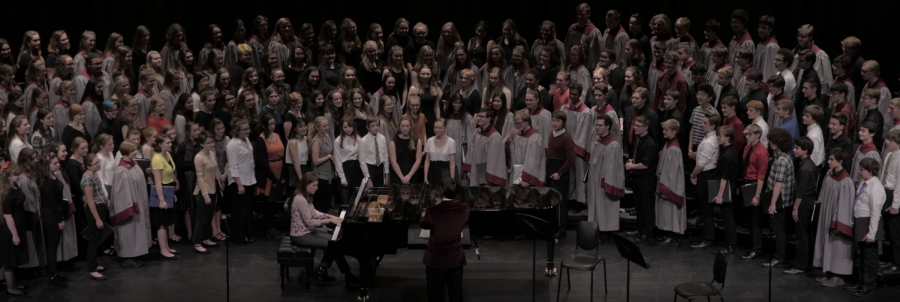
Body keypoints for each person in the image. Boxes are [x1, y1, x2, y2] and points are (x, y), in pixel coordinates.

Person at [290, 172, 358, 286]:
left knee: (334, 241)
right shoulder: (300, 199)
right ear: (306, 185)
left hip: (307, 231)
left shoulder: (306, 195)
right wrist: (329, 220)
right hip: (301, 235)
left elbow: (314, 213)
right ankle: (348, 275)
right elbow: (310, 222)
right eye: (314, 185)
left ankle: (322, 269)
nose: (317, 188)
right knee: (334, 244)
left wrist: (330, 216)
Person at [421, 178, 469, 302]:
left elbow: (423, 223)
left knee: (436, 296)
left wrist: (436, 205)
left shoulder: (432, 211)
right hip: (455, 258)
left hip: (436, 259)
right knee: (456, 295)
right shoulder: (464, 209)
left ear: (441, 191)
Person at [812, 149, 855, 287]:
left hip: (836, 218)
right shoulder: (830, 174)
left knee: (837, 245)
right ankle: (828, 271)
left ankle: (838, 276)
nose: (828, 162)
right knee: (826, 243)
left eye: (831, 159)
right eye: (828, 159)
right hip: (826, 214)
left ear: (840, 161)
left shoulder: (846, 181)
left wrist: (837, 223)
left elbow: (844, 205)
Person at [848, 158, 885, 297]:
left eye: (862, 169)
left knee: (870, 257)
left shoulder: (876, 188)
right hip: (861, 221)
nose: (859, 171)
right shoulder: (865, 183)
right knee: (862, 256)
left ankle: (869, 286)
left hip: (869, 223)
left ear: (869, 171)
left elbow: (875, 212)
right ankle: (861, 283)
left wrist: (871, 233)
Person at [782, 137, 818, 275]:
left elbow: (801, 191)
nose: (794, 150)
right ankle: (805, 264)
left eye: (797, 148)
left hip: (803, 204)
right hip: (808, 202)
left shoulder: (804, 168)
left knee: (801, 235)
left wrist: (795, 208)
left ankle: (800, 266)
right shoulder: (809, 164)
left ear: (806, 150)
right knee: (805, 234)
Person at [761, 128, 796, 269]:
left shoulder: (782, 160)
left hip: (781, 200)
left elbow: (779, 183)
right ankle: (781, 255)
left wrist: (773, 203)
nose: (770, 142)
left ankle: (780, 257)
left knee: (779, 230)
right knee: (780, 229)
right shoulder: (779, 157)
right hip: (781, 199)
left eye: (773, 140)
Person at [588, 114, 624, 240]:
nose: (597, 127)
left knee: (605, 205)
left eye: (600, 125)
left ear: (608, 126)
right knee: (597, 205)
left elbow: (612, 167)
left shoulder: (612, 145)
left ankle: (606, 231)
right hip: (595, 179)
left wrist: (606, 181)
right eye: (596, 125)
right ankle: (597, 228)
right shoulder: (598, 140)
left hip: (604, 180)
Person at [624, 115, 657, 243]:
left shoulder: (650, 143)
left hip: (646, 179)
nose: (635, 128)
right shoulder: (639, 139)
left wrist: (632, 165)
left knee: (646, 206)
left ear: (646, 128)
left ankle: (648, 232)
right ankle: (640, 228)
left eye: (638, 126)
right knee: (638, 205)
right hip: (637, 177)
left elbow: (646, 164)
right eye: (634, 125)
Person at [562, 83, 594, 212]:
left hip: (578, 149)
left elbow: (584, 132)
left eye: (575, 94)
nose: (573, 96)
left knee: (579, 175)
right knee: (570, 175)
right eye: (571, 94)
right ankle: (570, 199)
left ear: (580, 95)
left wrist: (574, 150)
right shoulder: (564, 108)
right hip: (567, 148)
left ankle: (580, 202)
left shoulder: (585, 112)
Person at [689, 113, 719, 249]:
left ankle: (708, 238)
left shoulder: (708, 142)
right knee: (707, 209)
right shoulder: (710, 139)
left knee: (706, 209)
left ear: (712, 126)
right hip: (709, 173)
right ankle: (707, 236)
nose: (701, 124)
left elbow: (700, 166)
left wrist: (693, 175)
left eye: (705, 123)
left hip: (706, 175)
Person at [81, 153, 112, 280]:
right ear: (88, 165)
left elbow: (99, 192)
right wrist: (97, 218)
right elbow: (90, 200)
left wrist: (106, 200)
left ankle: (94, 264)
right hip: (95, 211)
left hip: (101, 207)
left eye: (99, 162)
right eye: (96, 163)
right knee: (94, 240)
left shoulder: (95, 173)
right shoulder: (87, 178)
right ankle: (91, 268)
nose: (99, 164)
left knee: (98, 238)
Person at [254, 114, 284, 239]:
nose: (272, 126)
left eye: (273, 123)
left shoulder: (277, 135)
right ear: (264, 125)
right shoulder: (260, 139)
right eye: (269, 124)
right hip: (268, 174)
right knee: (268, 203)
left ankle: (273, 228)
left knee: (275, 202)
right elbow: (261, 161)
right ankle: (269, 229)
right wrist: (273, 178)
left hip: (279, 170)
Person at [655, 119, 685, 245]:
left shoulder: (673, 149)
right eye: (663, 129)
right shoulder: (668, 144)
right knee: (666, 211)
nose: (663, 132)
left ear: (674, 131)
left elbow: (672, 173)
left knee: (671, 209)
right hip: (664, 181)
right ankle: (667, 232)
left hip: (670, 184)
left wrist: (666, 188)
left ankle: (672, 234)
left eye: (666, 130)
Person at [226, 119, 257, 244]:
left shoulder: (247, 140)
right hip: (239, 182)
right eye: (244, 130)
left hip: (249, 179)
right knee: (239, 211)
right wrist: (239, 184)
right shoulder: (232, 145)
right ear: (237, 131)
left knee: (248, 209)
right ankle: (239, 236)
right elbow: (233, 166)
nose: (247, 131)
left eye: (248, 128)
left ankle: (248, 233)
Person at [546, 111, 575, 237]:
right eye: (553, 120)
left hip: (560, 174)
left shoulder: (566, 137)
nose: (555, 123)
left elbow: (571, 159)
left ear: (563, 123)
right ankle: (553, 227)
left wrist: (560, 173)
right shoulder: (551, 134)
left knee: (561, 203)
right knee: (551, 202)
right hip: (550, 171)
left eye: (558, 121)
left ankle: (561, 229)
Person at [192, 131, 221, 254]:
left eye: (212, 142)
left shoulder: (211, 153)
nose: (211, 144)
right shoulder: (199, 157)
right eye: (208, 143)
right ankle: (197, 242)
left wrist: (220, 181)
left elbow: (214, 171)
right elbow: (200, 178)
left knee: (209, 217)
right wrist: (205, 195)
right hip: (202, 191)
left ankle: (206, 238)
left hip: (212, 189)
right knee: (202, 219)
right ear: (202, 144)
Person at [1, 164, 28, 296]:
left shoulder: (15, 187)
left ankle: (14, 284)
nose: (19, 176)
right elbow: (7, 215)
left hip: (18, 225)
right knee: (9, 260)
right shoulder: (7, 192)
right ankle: (10, 288)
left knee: (15, 258)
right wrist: (15, 235)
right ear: (9, 176)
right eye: (16, 174)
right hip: (10, 229)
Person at [463, 107, 505, 186]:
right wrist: (469, 169)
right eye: (478, 116)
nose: (479, 118)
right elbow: (471, 151)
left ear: (489, 118)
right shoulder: (476, 132)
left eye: (482, 117)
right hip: (475, 169)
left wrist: (488, 177)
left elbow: (494, 160)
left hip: (485, 171)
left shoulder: (495, 137)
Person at [506, 110, 545, 188]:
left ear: (527, 122)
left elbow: (532, 161)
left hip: (527, 178)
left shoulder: (534, 138)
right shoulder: (517, 134)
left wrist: (527, 179)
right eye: (516, 123)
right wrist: (510, 139)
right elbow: (511, 152)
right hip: (516, 174)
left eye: (520, 123)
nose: (518, 126)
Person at [879, 131, 900, 275]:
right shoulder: (889, 155)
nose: (887, 143)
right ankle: (890, 260)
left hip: (894, 195)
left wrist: (895, 204)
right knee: (888, 230)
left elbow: (899, 183)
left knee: (895, 233)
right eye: (887, 140)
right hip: (886, 192)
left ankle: (897, 263)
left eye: (890, 140)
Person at [792, 25, 832, 95]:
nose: (800, 39)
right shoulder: (795, 51)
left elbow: (825, 80)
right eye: (799, 36)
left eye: (803, 37)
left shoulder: (820, 55)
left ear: (810, 37)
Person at [563, 3, 603, 67]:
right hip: (572, 65)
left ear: (588, 14)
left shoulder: (593, 32)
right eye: (578, 14)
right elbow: (566, 47)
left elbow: (595, 55)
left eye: (582, 14)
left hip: (585, 66)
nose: (579, 16)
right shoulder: (572, 28)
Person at [310, 116, 335, 213]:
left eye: (328, 125)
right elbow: (315, 161)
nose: (327, 128)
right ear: (317, 127)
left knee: (327, 202)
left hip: (329, 175)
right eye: (324, 126)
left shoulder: (327, 136)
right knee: (321, 203)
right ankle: (318, 225)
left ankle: (324, 222)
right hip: (320, 176)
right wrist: (328, 157)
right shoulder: (316, 141)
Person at [860, 61, 892, 135]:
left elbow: (883, 114)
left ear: (874, 72)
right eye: (861, 71)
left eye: (865, 71)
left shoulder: (882, 90)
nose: (862, 74)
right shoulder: (867, 85)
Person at [389, 116, 423, 185]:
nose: (405, 128)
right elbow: (393, 161)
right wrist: (402, 177)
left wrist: (409, 176)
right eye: (403, 126)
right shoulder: (393, 141)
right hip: (397, 175)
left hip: (412, 175)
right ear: (399, 127)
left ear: (411, 127)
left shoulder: (417, 141)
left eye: (407, 126)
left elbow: (418, 160)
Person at [688, 84, 718, 161]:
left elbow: (713, 135)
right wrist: (690, 147)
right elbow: (693, 128)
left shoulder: (713, 114)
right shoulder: (696, 110)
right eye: (698, 94)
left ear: (710, 98)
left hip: (705, 147)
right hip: (693, 146)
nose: (699, 97)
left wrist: (699, 151)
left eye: (703, 95)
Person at [424, 118, 456, 186]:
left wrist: (452, 180)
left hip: (445, 173)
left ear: (445, 128)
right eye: (435, 127)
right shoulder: (429, 140)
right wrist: (425, 177)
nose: (437, 130)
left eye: (440, 128)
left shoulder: (451, 142)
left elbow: (452, 164)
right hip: (432, 172)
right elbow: (427, 161)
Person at [359, 116, 389, 187]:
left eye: (377, 125)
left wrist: (386, 174)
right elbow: (362, 162)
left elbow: (386, 157)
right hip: (370, 169)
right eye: (372, 125)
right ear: (367, 127)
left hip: (380, 168)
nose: (375, 127)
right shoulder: (363, 141)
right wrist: (368, 179)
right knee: (371, 194)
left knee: (381, 193)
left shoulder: (382, 138)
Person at [755, 15, 779, 80]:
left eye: (764, 28)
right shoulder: (760, 44)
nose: (760, 30)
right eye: (759, 27)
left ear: (770, 29)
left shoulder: (772, 46)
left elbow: (771, 70)